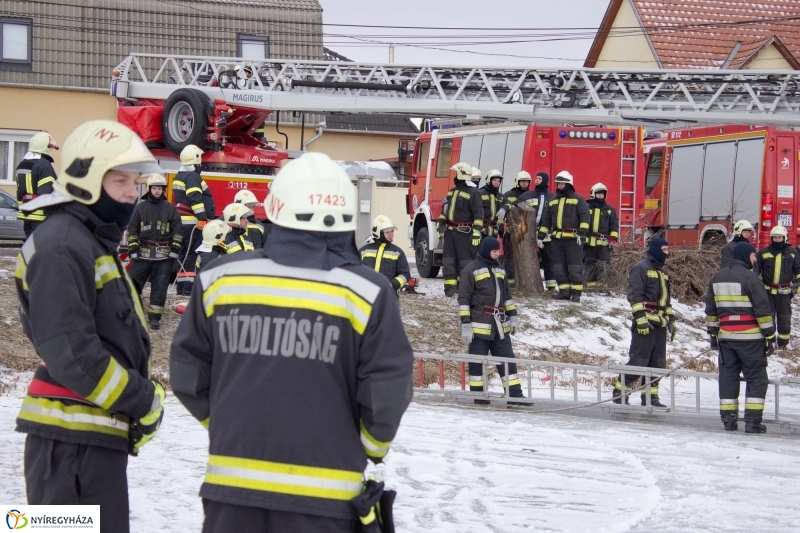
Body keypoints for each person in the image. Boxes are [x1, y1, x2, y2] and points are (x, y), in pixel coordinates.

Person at [170, 152, 413, 532]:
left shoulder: (220, 280)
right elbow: (388, 391)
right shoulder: (367, 291)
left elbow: (187, 374)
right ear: (345, 214)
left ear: (274, 208)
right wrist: (368, 447)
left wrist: (228, 424)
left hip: (231, 492)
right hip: (326, 499)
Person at [13, 120, 165, 532]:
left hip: (87, 441)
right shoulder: (64, 244)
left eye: (135, 182)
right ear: (87, 181)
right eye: (121, 182)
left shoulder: (87, 240)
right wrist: (141, 400)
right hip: (68, 447)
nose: (133, 193)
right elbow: (73, 353)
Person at [706, 242, 775, 433]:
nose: (755, 259)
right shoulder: (751, 278)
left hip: (726, 339)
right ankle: (752, 422)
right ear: (745, 255)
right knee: (756, 378)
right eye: (754, 255)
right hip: (751, 339)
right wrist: (769, 335)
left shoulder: (717, 278)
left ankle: (729, 420)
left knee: (728, 377)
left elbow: (711, 312)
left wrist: (713, 335)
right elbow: (762, 309)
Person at [458, 237, 525, 404]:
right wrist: (465, 324)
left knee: (508, 359)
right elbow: (464, 299)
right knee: (477, 363)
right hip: (479, 326)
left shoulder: (500, 269)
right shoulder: (471, 269)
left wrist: (513, 316)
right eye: (495, 251)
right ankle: (479, 397)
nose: (497, 254)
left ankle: (515, 395)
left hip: (500, 324)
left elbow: (507, 296)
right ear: (487, 250)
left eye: (498, 251)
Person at [613, 237, 675, 407]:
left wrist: (671, 321)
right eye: (664, 250)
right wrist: (640, 320)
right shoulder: (641, 268)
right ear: (655, 249)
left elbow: (666, 302)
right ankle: (620, 392)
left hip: (659, 325)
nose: (667, 253)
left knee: (657, 364)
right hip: (645, 325)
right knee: (638, 362)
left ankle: (650, 397)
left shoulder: (663, 273)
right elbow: (634, 296)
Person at [126, 173, 182, 330]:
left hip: (163, 257)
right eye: (155, 188)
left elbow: (177, 231)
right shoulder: (140, 208)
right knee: (132, 284)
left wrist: (174, 249)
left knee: (160, 287)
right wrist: (133, 250)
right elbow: (133, 230)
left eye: (160, 188)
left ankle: (154, 317)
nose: (157, 191)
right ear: (149, 189)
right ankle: (132, 314)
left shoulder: (170, 209)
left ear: (164, 190)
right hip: (142, 256)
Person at [538, 171, 590, 302]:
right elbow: (546, 221)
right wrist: (540, 237)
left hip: (573, 240)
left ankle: (576, 293)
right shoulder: (552, 201)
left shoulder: (578, 199)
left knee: (574, 267)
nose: (560, 185)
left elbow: (585, 217)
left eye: (562, 183)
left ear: (568, 184)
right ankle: (564, 292)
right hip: (556, 240)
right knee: (558, 267)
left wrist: (582, 234)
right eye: (558, 183)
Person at [172, 144, 216, 295]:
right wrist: (202, 219)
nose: (201, 162)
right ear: (196, 159)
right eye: (200, 159)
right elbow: (195, 199)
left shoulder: (180, 175)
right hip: (193, 222)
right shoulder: (192, 177)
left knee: (183, 254)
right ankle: (188, 290)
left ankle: (180, 288)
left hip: (182, 222)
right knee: (192, 254)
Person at [437, 162, 484, 297]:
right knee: (448, 260)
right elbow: (445, 210)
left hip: (465, 233)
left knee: (465, 262)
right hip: (450, 231)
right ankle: (450, 288)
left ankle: (464, 287)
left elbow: (478, 214)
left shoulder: (474, 192)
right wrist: (441, 221)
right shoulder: (451, 191)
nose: (454, 176)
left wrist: (476, 232)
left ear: (461, 174)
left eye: (455, 173)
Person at [508, 171, 556, 290]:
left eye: (540, 178)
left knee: (548, 259)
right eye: (536, 178)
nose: (537, 180)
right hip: (529, 231)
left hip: (546, 233)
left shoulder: (552, 197)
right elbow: (515, 208)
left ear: (545, 180)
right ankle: (526, 284)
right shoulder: (527, 195)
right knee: (527, 258)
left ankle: (550, 286)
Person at [756, 225, 800, 349]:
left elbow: (798, 270)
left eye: (779, 237)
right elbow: (755, 271)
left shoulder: (792, 253)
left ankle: (782, 344)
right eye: (774, 237)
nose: (777, 240)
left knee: (784, 319)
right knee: (768, 318)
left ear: (784, 238)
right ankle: (769, 342)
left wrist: (797, 285)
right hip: (768, 292)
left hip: (785, 293)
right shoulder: (764, 253)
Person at [15, 132, 59, 238]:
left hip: (27, 217)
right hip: (41, 219)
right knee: (43, 251)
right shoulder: (44, 165)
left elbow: (21, 192)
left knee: (31, 250)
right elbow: (46, 193)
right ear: (47, 148)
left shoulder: (22, 164)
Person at [359, 214, 411, 292]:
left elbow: (405, 275)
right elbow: (354, 272)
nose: (391, 234)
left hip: (388, 297)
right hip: (365, 295)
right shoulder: (364, 251)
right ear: (378, 233)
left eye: (392, 231)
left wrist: (392, 284)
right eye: (387, 232)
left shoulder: (397, 252)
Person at [584, 182, 620, 289]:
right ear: (593, 194)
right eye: (598, 194)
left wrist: (613, 239)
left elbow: (614, 225)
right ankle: (591, 287)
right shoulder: (586, 208)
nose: (600, 196)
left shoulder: (610, 210)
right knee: (589, 265)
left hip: (603, 244)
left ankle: (602, 288)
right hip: (588, 243)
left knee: (603, 266)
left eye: (602, 194)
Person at [499, 171, 532, 287]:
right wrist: (500, 226)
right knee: (509, 256)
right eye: (523, 181)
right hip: (511, 231)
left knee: (527, 256)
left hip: (527, 232)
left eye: (527, 182)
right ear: (518, 182)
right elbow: (504, 210)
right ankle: (510, 281)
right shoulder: (508, 194)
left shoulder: (531, 194)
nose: (525, 183)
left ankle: (525, 280)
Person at [478, 169, 504, 239]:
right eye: (494, 180)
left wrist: (504, 209)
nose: (496, 182)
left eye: (498, 181)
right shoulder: (480, 193)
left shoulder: (500, 196)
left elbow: (509, 204)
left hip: (494, 231)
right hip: (482, 231)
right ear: (489, 180)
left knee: (492, 250)